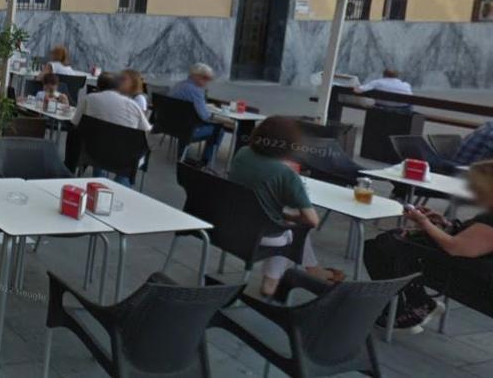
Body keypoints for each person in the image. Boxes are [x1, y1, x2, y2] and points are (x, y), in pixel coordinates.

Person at [364, 160, 493, 332]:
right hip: (467, 268)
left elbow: (456, 247)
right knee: (384, 245)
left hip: (471, 279)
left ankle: (412, 307)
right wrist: (444, 223)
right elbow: (470, 237)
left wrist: (424, 222)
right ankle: (412, 305)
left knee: (382, 248)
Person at [227, 116, 342, 297]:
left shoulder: (242, 153)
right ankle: (271, 282)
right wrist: (290, 217)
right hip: (259, 234)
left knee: (283, 222)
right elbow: (313, 221)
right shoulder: (285, 173)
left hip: (229, 223)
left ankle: (313, 269)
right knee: (294, 230)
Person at [67, 72, 150, 179]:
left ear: (98, 86)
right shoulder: (133, 106)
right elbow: (148, 133)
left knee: (93, 141)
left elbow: (75, 123)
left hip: (92, 152)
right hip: (123, 158)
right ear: (117, 87)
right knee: (128, 153)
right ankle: (121, 185)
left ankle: (89, 175)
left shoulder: (89, 98)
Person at [168, 63, 226, 166]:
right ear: (195, 76)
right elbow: (205, 116)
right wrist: (216, 117)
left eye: (209, 79)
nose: (207, 81)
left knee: (187, 122)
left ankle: (183, 155)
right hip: (186, 129)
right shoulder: (196, 91)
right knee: (219, 129)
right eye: (205, 78)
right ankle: (205, 161)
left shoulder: (178, 85)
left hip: (169, 125)